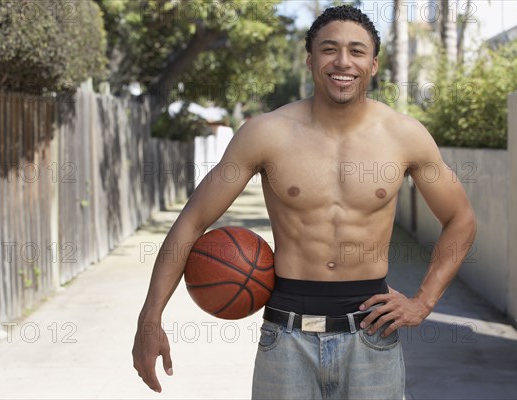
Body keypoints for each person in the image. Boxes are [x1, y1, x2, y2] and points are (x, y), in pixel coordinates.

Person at [132, 5, 476, 399]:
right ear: (311, 60)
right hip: (287, 339)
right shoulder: (265, 134)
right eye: (329, 49)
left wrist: (423, 301)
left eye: (357, 51)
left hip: (371, 339)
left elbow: (460, 218)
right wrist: (150, 318)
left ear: (374, 64)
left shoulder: (405, 136)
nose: (343, 61)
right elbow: (192, 222)